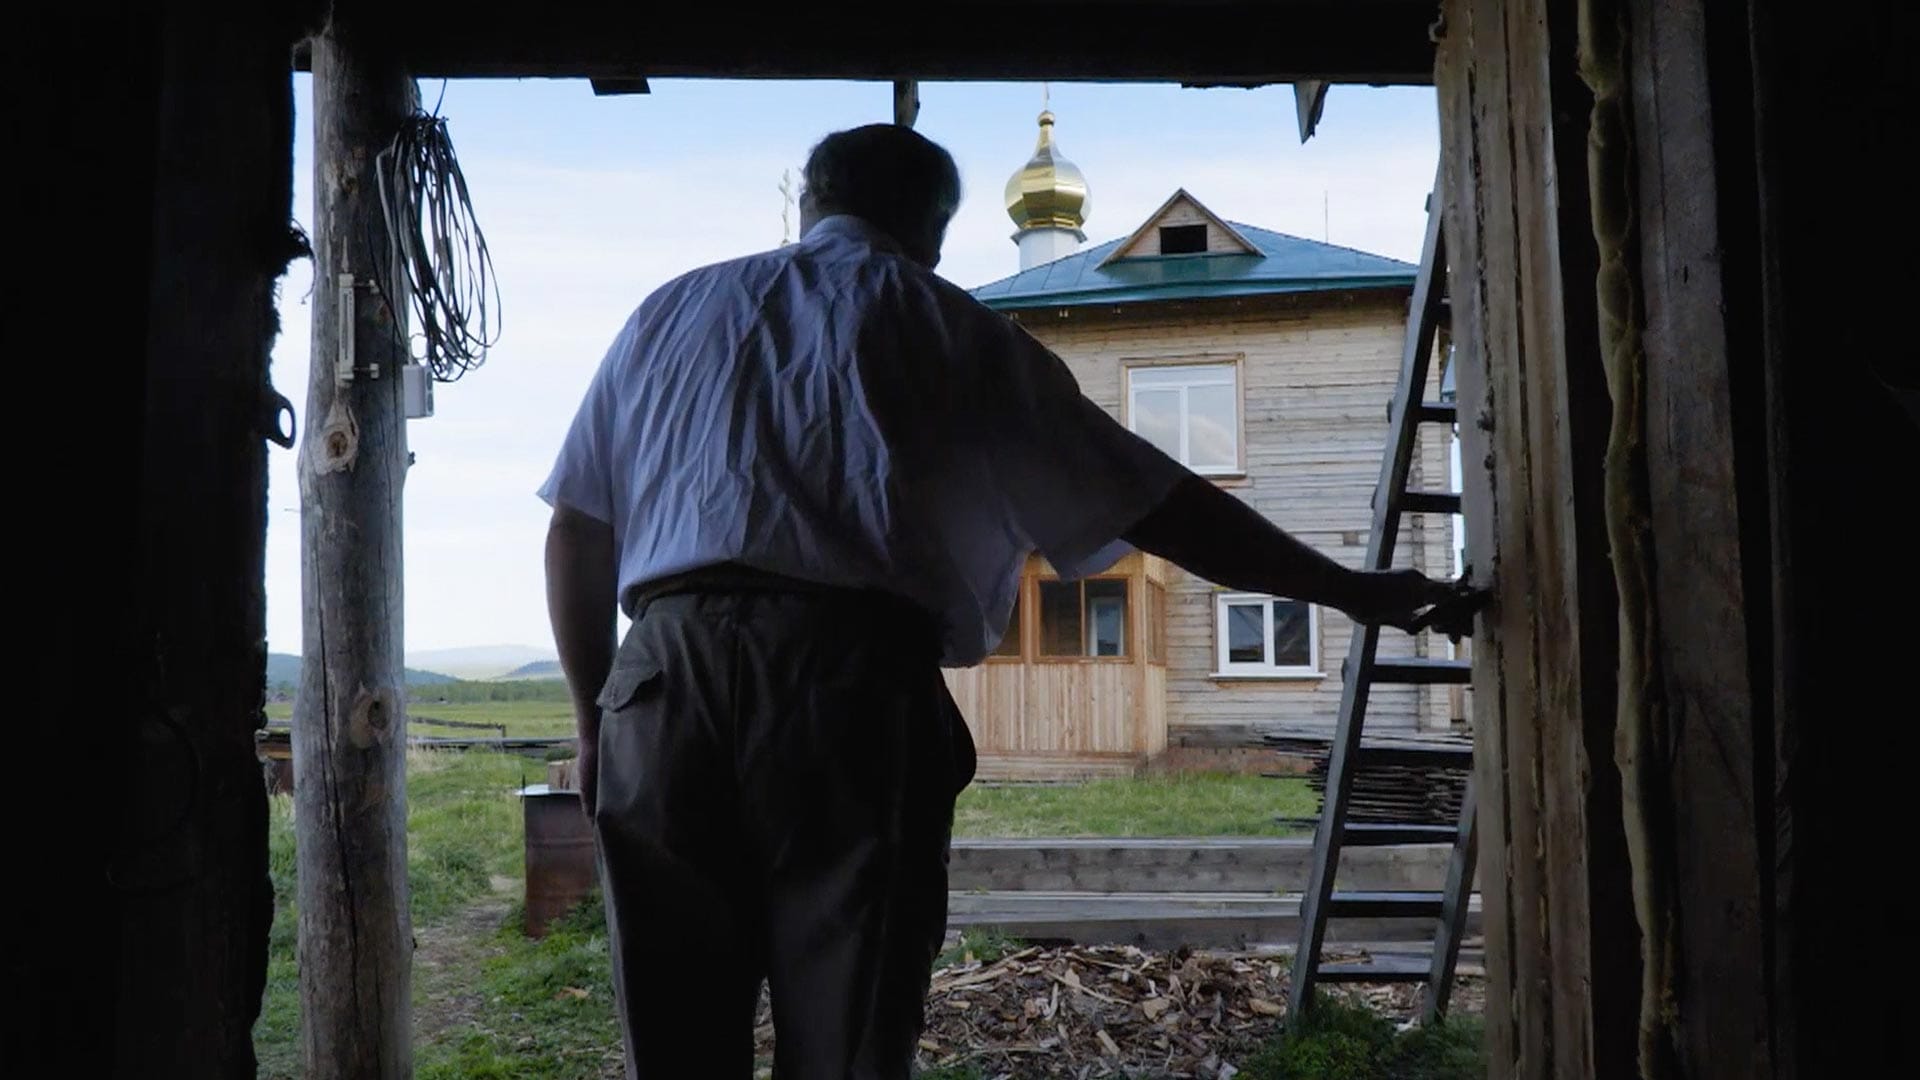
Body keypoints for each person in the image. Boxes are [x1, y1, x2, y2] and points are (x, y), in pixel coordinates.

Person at [540, 123, 1461, 1080]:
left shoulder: (669, 313)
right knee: (850, 1031)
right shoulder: (945, 325)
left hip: (661, 675)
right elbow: (1163, 504)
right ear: (933, 230)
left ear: (812, 202)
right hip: (846, 680)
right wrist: (1351, 589)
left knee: (676, 1032)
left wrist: (596, 719)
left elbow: (579, 526)